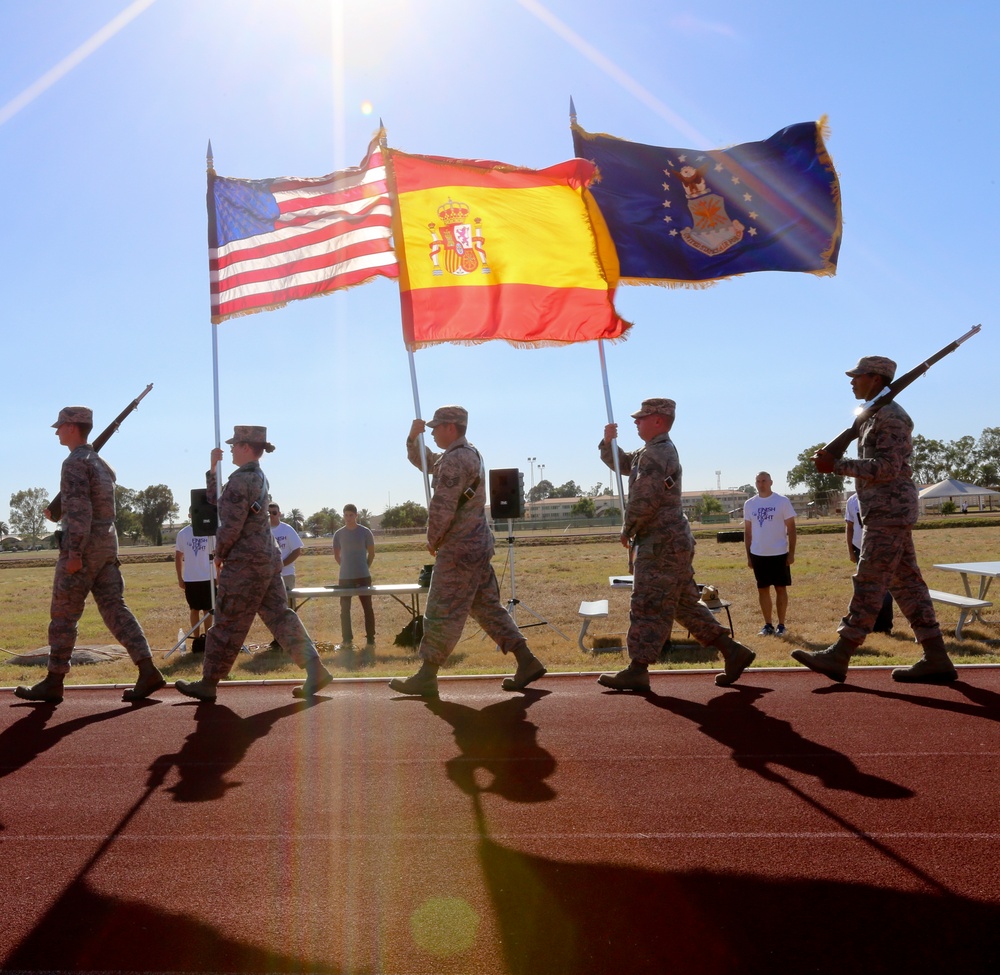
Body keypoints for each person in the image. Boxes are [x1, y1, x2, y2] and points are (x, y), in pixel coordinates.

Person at [792, 356, 957, 684]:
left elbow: (888, 468)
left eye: (858, 376)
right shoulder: (871, 416)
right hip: (882, 511)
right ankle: (936, 656)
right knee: (906, 584)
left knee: (869, 581)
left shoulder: (892, 417)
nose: (852, 381)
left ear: (877, 379)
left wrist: (837, 466)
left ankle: (841, 653)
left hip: (889, 512)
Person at [596, 399, 756, 691]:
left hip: (661, 543)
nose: (636, 422)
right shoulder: (652, 451)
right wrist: (608, 444)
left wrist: (628, 529)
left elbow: (645, 497)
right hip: (671, 541)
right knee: (683, 605)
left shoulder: (656, 453)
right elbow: (624, 464)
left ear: (658, 420)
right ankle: (733, 651)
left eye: (642, 417)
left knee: (647, 603)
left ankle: (637, 669)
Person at [389, 406, 546, 697]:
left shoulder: (455, 459)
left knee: (440, 610)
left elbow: (443, 504)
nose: (432, 432)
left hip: (459, 549)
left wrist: (433, 538)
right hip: (475, 546)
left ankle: (427, 675)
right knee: (487, 608)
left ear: (451, 427)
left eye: (436, 427)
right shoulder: (465, 454)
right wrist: (413, 439)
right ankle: (527, 661)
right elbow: (425, 461)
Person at [15, 406, 165, 704]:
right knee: (115, 608)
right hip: (107, 546)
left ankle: (54, 681)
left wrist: (74, 552)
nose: (57, 432)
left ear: (72, 427)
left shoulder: (74, 463)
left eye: (60, 427)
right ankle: (147, 669)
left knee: (63, 614)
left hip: (83, 548)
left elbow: (80, 511)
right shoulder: (100, 463)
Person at [175, 426, 333, 702]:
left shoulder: (240, 481)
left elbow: (230, 524)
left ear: (246, 447)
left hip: (244, 563)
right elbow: (218, 502)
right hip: (266, 560)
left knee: (226, 621)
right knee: (280, 616)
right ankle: (315, 669)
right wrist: (213, 471)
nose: (231, 449)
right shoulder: (258, 477)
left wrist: (220, 554)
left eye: (234, 445)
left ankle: (208, 682)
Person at [743, 472, 797, 636]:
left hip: (779, 553)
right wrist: (749, 556)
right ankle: (768, 625)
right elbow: (747, 532)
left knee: (780, 588)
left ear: (771, 482)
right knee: (763, 589)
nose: (761, 484)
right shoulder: (749, 504)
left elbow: (792, 528)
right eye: (758, 481)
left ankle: (781, 625)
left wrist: (791, 553)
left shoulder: (782, 501)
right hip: (758, 554)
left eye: (764, 480)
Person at [845, 492, 893, 634]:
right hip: (860, 549)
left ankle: (884, 625)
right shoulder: (852, 500)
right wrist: (850, 550)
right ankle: (867, 623)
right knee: (865, 587)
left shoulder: (883, 495)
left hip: (881, 547)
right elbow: (849, 527)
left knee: (884, 587)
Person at [333, 504, 376, 659]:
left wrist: (364, 567)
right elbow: (337, 556)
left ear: (356, 515)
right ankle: (347, 640)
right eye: (346, 515)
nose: (348, 518)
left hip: (363, 576)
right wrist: (346, 567)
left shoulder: (365, 532)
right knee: (344, 610)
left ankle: (370, 639)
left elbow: (371, 553)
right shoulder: (338, 534)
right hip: (345, 578)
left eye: (351, 515)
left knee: (367, 608)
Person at [174, 519, 213, 653]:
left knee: (208, 609)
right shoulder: (183, 533)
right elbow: (178, 556)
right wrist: (180, 578)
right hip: (191, 578)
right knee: (194, 609)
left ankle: (208, 638)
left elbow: (217, 553)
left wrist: (217, 576)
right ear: (190, 515)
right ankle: (197, 639)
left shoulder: (210, 531)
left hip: (208, 577)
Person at [268, 503, 302, 604]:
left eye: (274, 513)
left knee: (288, 605)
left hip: (286, 574)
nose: (271, 515)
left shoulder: (287, 529)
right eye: (269, 513)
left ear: (279, 514)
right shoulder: (262, 530)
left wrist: (281, 565)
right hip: (268, 576)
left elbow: (297, 551)